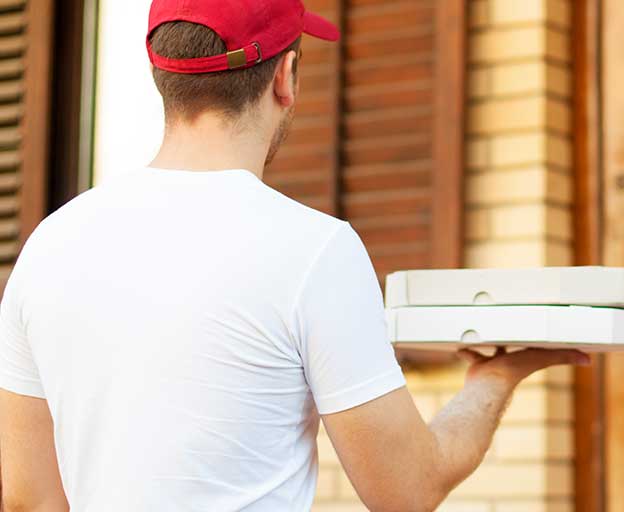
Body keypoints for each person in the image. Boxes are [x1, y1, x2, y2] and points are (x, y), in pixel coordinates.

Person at [0, 1, 590, 510]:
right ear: (286, 76)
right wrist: (496, 377)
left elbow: (29, 498)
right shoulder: (314, 251)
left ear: (163, 77)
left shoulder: (48, 248)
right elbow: (407, 488)